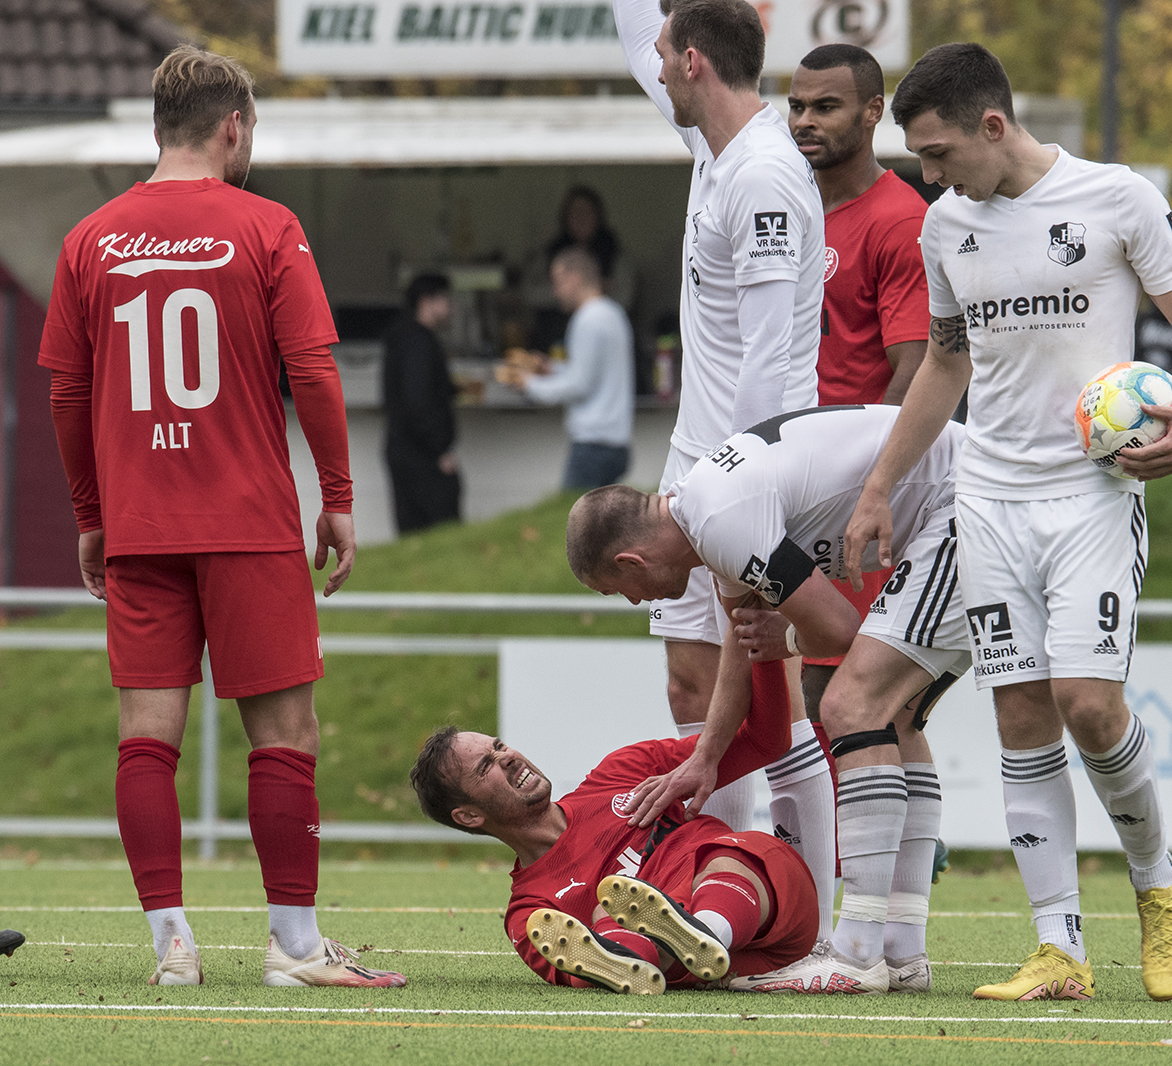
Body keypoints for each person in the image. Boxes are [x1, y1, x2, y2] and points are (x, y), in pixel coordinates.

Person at [844, 43, 1172, 1003]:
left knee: (1091, 707)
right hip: (990, 498)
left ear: (991, 125)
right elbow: (945, 363)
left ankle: (1158, 890)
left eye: (937, 154)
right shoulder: (946, 228)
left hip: (1093, 494)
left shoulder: (1119, 199)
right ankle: (1059, 946)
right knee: (1019, 715)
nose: (927, 176)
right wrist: (881, 483)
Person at [38, 45, 404, 989]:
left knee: (146, 736)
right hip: (247, 519)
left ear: (159, 128)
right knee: (284, 735)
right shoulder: (267, 225)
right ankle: (292, 946)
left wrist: (92, 513)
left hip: (141, 526)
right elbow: (315, 371)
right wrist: (341, 498)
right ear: (233, 126)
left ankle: (172, 949)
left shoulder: (89, 239)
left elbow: (68, 396)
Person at [567, 405, 971, 994]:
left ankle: (858, 956)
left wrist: (784, 636)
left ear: (632, 561)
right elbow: (742, 632)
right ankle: (902, 952)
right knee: (897, 718)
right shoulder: (701, 511)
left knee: (850, 707)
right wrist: (705, 757)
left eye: (618, 589)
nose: (632, 601)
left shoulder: (720, 521)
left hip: (964, 502)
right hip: (957, 498)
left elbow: (832, 631)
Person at [613, 0, 825, 833]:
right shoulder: (713, 145)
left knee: (776, 706)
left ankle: (799, 923)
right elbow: (637, 33)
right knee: (690, 689)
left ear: (695, 61)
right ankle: (722, 883)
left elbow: (770, 357)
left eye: (669, 56)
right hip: (697, 463)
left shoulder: (765, 172)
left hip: (749, 470)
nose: (656, 68)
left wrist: (738, 490)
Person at [408, 659, 817, 993]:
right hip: (720, 969)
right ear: (470, 816)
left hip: (766, 908)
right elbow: (570, 968)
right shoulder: (530, 910)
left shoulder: (623, 771)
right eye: (486, 766)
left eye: (499, 745)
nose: (509, 756)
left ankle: (701, 932)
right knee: (613, 910)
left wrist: (764, 655)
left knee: (733, 853)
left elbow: (765, 740)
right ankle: (637, 953)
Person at [786, 44, 933, 742]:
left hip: (855, 493)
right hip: (799, 484)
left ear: (873, 112)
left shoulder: (898, 219)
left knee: (851, 693)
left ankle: (887, 855)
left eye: (825, 106)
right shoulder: (793, 207)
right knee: (817, 693)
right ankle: (893, 854)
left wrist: (872, 487)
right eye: (796, 106)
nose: (804, 121)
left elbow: (918, 369)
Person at [496, 247, 635, 490]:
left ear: (574, 278)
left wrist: (528, 383)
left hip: (593, 445)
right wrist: (551, 369)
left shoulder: (587, 319)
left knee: (573, 523)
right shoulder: (613, 313)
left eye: (557, 282)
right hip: (617, 443)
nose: (555, 292)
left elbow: (579, 385)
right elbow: (592, 373)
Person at [382, 272, 461, 534]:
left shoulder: (401, 336)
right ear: (426, 302)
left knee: (412, 537)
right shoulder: (420, 343)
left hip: (403, 449)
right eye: (445, 299)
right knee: (442, 535)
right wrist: (439, 449)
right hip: (422, 456)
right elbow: (418, 401)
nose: (450, 306)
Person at [544, 186, 633, 308]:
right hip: (558, 323)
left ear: (598, 216)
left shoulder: (613, 251)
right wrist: (574, 292)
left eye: (587, 212)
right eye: (575, 213)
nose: (581, 219)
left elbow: (625, 296)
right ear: (565, 218)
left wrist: (592, 295)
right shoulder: (552, 251)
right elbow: (531, 292)